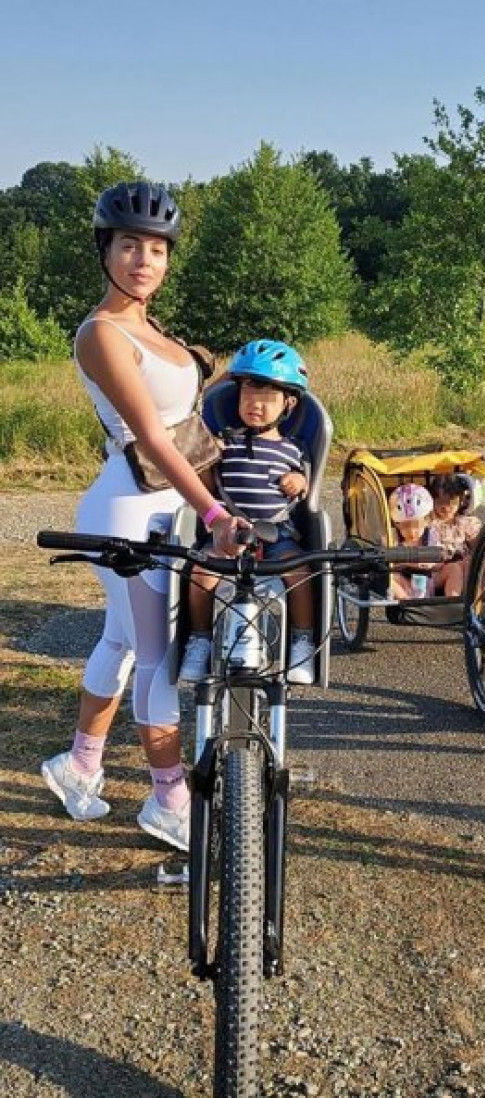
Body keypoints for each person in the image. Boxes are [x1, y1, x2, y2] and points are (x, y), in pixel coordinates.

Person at [41, 181, 247, 853]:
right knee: (157, 657)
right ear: (105, 249)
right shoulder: (100, 333)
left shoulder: (154, 328)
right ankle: (168, 801)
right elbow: (152, 438)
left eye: (157, 249)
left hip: (169, 503)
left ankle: (78, 765)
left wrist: (217, 497)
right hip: (130, 509)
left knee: (122, 643)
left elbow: (185, 426)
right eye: (130, 245)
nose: (144, 260)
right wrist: (213, 511)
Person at [179, 339, 316, 686]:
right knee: (201, 574)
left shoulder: (293, 449)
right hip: (228, 534)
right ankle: (199, 639)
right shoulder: (225, 442)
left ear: (289, 403)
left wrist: (299, 481)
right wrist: (208, 460)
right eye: (245, 396)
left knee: (300, 574)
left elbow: (306, 489)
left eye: (266, 398)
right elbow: (207, 488)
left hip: (276, 536)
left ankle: (302, 640)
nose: (254, 404)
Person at [428, 473, 481, 596]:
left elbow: (478, 544)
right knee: (455, 568)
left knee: (481, 562)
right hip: (438, 570)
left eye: (452, 502)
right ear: (433, 501)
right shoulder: (429, 522)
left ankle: (484, 601)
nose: (446, 507)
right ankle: (455, 603)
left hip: (463, 565)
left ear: (461, 500)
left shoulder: (464, 522)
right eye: (441, 502)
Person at [388, 484, 438, 599]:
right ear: (397, 524)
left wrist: (432, 563)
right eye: (405, 526)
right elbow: (385, 560)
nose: (412, 531)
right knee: (390, 577)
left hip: (426, 578)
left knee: (452, 569)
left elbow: (440, 560)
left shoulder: (431, 535)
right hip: (403, 580)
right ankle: (406, 603)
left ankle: (452, 602)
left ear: (426, 521)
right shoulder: (392, 537)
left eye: (417, 525)